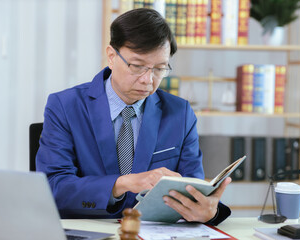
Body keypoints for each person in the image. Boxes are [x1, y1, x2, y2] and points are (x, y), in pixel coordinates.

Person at [36, 8, 231, 225]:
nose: (148, 80)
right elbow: (53, 187)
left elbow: (192, 189)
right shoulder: (65, 106)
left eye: (159, 68)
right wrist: (124, 183)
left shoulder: (180, 113)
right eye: (137, 66)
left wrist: (208, 212)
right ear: (111, 56)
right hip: (88, 230)